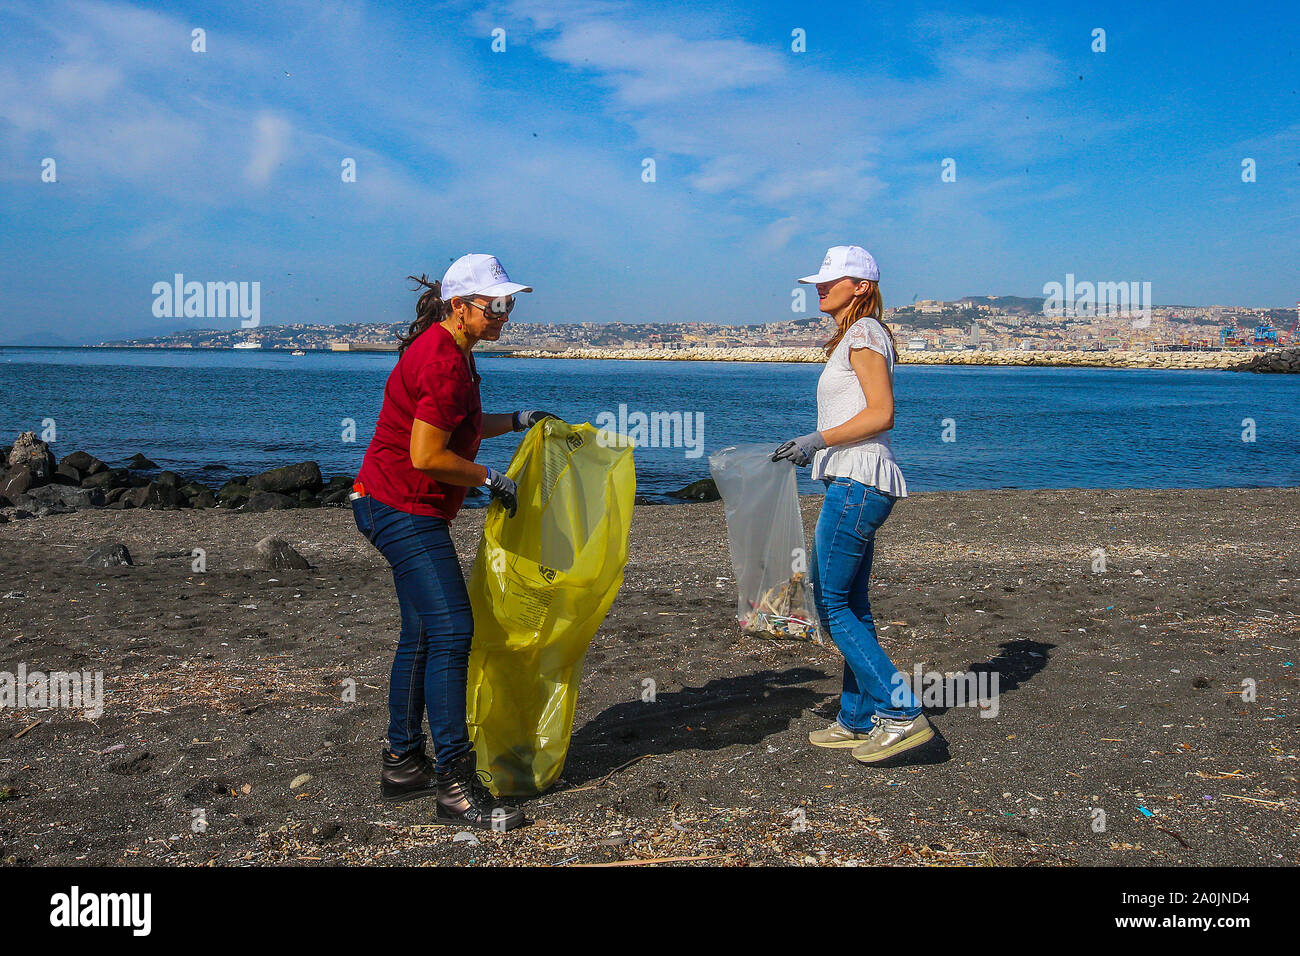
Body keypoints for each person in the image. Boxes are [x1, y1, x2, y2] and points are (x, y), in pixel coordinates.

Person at [351, 253, 557, 830]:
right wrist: (493, 479)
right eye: (496, 305)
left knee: (421, 633)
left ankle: (401, 762)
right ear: (461, 306)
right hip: (401, 508)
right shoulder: (443, 361)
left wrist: (516, 419)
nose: (505, 315)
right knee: (452, 632)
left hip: (387, 501)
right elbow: (427, 455)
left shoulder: (454, 354)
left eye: (509, 304)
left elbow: (457, 428)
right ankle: (455, 785)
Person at [773, 245, 935, 763]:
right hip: (856, 483)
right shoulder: (856, 335)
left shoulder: (864, 333)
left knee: (830, 604)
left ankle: (901, 712)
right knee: (852, 604)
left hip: (858, 483)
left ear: (861, 286)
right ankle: (857, 718)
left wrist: (817, 440)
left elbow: (881, 413)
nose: (819, 287)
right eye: (818, 280)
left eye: (831, 280)